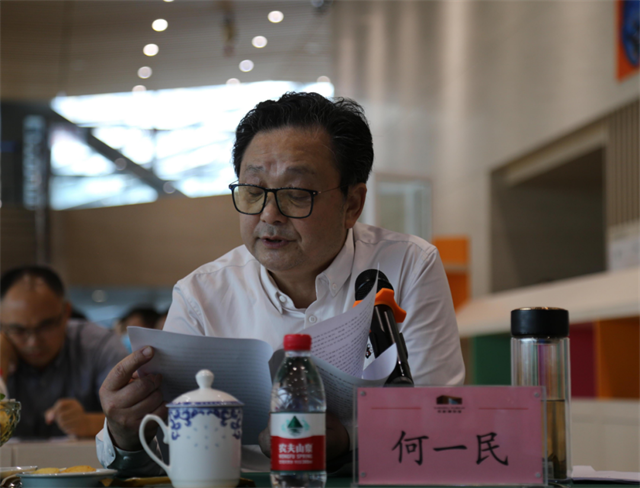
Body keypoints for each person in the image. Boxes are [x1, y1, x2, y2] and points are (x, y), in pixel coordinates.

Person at [97, 92, 464, 474]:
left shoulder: (408, 265)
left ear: (352, 204)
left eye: (296, 194)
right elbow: (170, 453)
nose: (269, 214)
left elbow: (439, 417)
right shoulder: (200, 297)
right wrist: (124, 434)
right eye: (254, 192)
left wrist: (347, 441)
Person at [0, 266, 128, 438]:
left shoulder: (99, 346)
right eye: (18, 330)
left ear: (66, 312)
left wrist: (88, 423)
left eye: (45, 326)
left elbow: (138, 418)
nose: (33, 341)